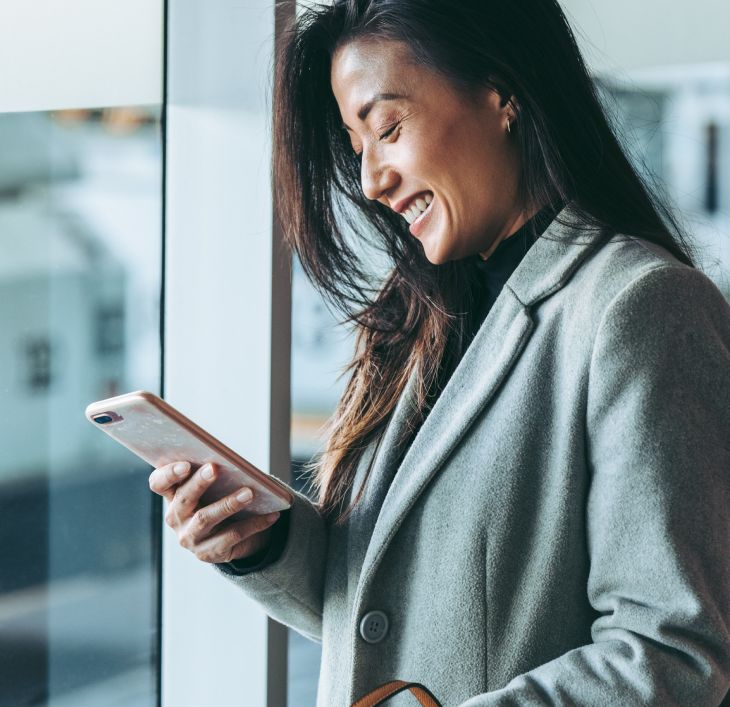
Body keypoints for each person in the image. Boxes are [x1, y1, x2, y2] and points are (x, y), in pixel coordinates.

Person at [148, 1, 730, 704]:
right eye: (357, 146)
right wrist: (266, 544)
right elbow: (393, 615)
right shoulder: (418, 323)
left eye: (388, 128)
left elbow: (673, 654)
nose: (370, 181)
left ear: (501, 92)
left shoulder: (640, 308)